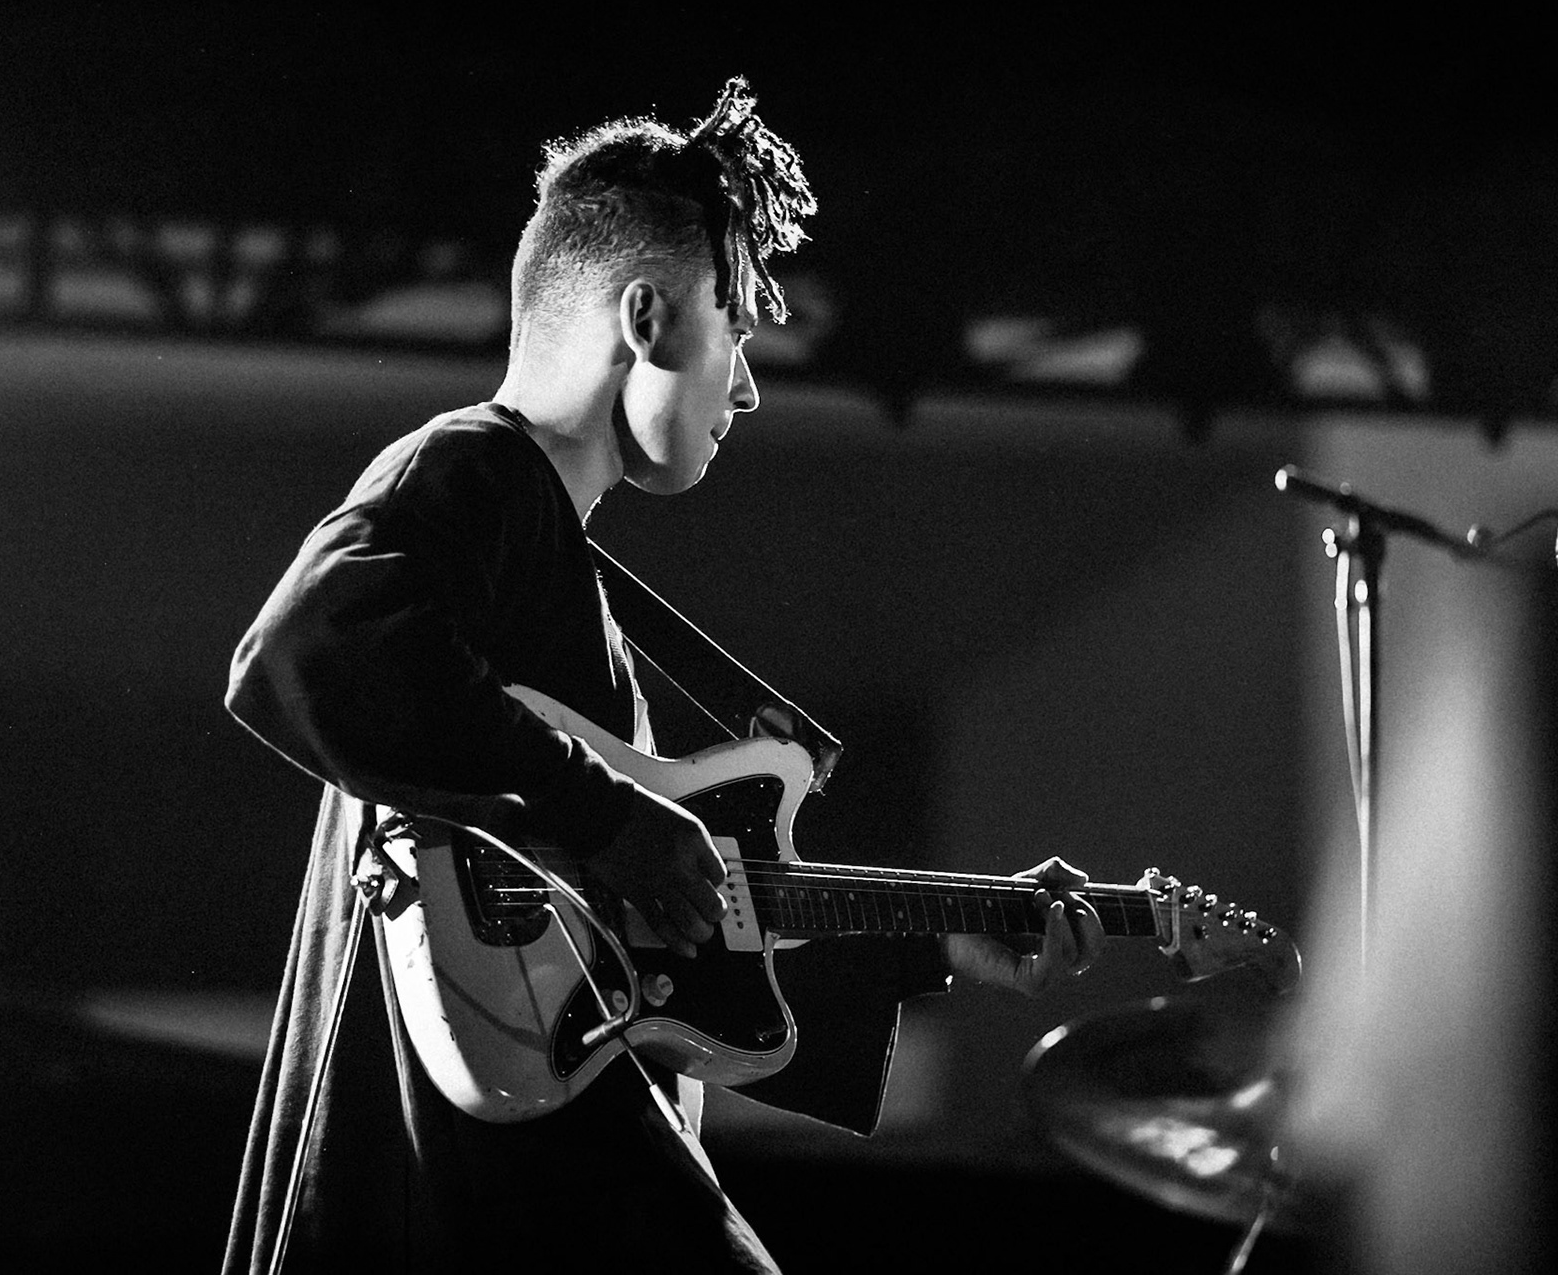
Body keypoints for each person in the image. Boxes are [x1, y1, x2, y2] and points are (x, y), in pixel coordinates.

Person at [219, 77, 1104, 1274]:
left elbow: (668, 965)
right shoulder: (471, 468)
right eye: (736, 326)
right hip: (487, 1181)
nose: (745, 384)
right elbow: (300, 646)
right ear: (645, 316)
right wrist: (605, 806)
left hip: (540, 1175)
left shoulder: (553, 566)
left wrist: (941, 942)